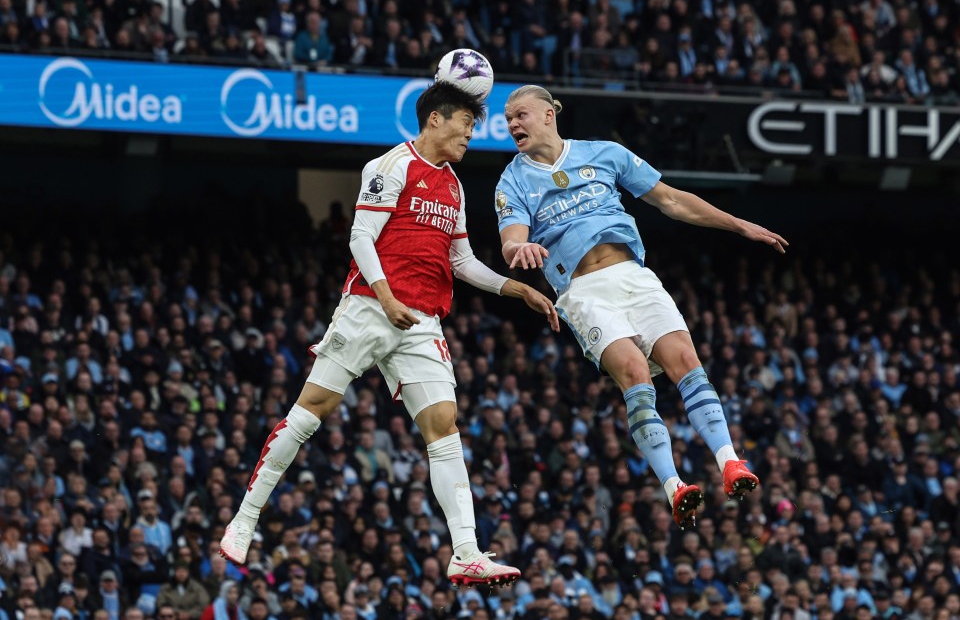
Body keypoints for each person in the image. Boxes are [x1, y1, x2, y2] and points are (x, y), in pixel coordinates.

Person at [220, 82, 560, 586]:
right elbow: (360, 236)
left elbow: (461, 261)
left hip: (422, 320)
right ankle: (243, 521)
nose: (472, 133)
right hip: (369, 308)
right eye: (467, 122)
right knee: (311, 412)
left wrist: (518, 290)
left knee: (444, 427)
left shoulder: (454, 186)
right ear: (436, 120)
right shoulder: (389, 166)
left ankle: (465, 551)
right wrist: (386, 297)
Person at [495, 85, 788, 527]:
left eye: (521, 115)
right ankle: (674, 486)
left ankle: (730, 463)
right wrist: (519, 249)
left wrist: (738, 225)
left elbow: (670, 200)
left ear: (548, 114)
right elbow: (511, 238)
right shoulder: (512, 179)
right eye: (508, 119)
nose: (513, 124)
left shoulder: (605, 154)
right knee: (633, 373)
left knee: (686, 361)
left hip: (634, 276)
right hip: (583, 292)